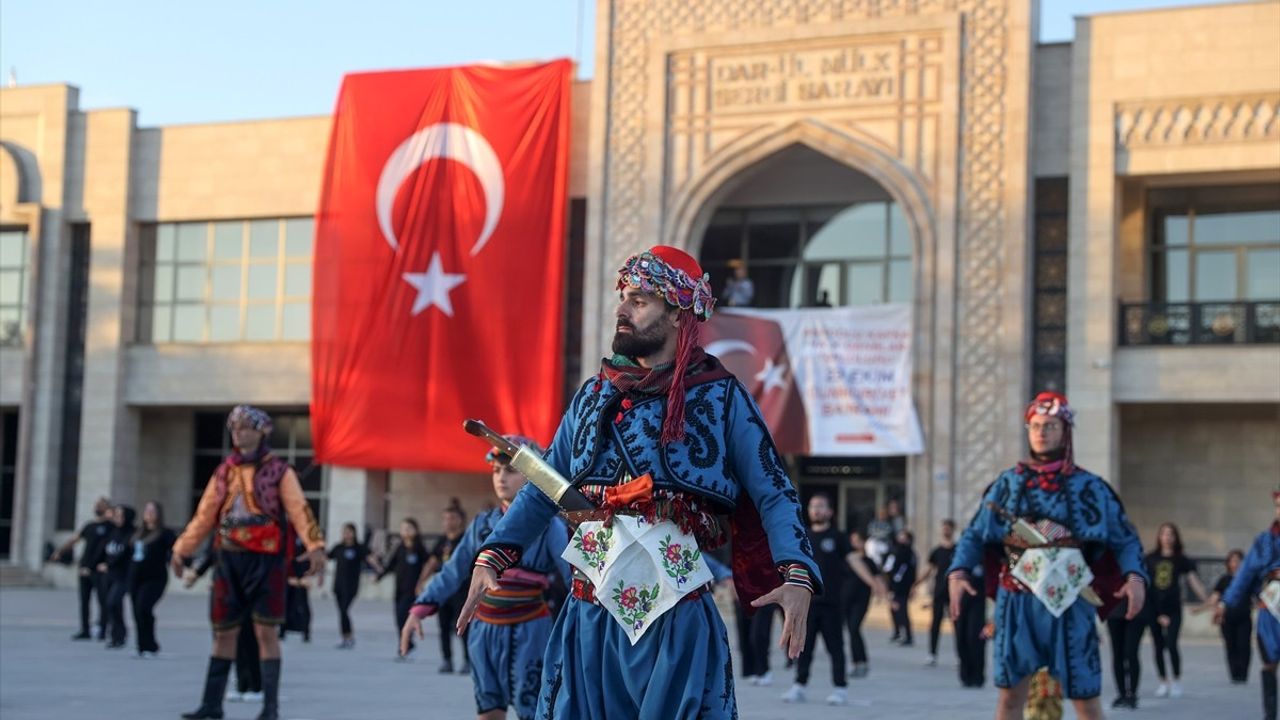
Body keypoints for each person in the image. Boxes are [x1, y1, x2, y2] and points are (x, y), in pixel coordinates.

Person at [453, 246, 821, 719]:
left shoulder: (721, 396)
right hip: (587, 617)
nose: (622, 309)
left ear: (677, 314)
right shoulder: (592, 396)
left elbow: (774, 490)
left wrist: (796, 575)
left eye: (641, 300)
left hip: (675, 622)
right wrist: (493, 555)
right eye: (623, 297)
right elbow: (544, 485)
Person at [948, 391, 1147, 720]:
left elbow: (1125, 539)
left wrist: (1135, 577)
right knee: (1010, 700)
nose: (1042, 432)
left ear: (1065, 431)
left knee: (1086, 701)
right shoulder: (1007, 484)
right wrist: (958, 573)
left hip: (1072, 603)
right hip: (1016, 604)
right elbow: (974, 534)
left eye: (1051, 425)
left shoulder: (1092, 487)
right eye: (1036, 425)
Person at [170, 405, 325, 720]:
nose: (239, 432)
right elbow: (204, 515)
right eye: (235, 427)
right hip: (228, 559)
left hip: (266, 562)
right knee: (223, 632)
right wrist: (181, 549)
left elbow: (299, 509)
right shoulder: (224, 471)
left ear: (262, 431)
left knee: (265, 633)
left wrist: (315, 545)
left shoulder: (280, 471)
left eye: (245, 426)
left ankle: (270, 708)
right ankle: (212, 704)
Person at [401, 436, 570, 720]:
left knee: (534, 712)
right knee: (489, 712)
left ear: (533, 472)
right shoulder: (481, 524)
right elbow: (453, 571)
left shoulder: (550, 525)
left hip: (532, 629)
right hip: (484, 631)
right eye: (496, 470)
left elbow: (572, 575)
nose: (501, 477)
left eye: (510, 469)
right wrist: (419, 609)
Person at [781, 494, 852, 705]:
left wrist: (875, 581)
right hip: (807, 604)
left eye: (821, 506)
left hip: (831, 604)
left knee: (835, 648)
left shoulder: (838, 537)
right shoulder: (803, 537)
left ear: (830, 511)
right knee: (804, 646)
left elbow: (853, 560)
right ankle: (799, 685)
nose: (816, 510)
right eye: (813, 506)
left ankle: (840, 688)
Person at [1218, 491, 1280, 720]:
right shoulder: (1264, 541)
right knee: (1270, 662)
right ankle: (1270, 715)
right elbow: (1245, 574)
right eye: (1278, 506)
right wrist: (1226, 603)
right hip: (1271, 609)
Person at [1145, 521, 1210, 698]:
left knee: (1172, 644)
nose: (1167, 537)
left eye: (1171, 534)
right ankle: (1163, 681)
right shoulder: (1150, 558)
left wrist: (1207, 599)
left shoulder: (1181, 559)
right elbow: (1146, 584)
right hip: (1154, 607)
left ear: (1176, 537)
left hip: (1173, 607)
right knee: (1158, 645)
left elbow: (1193, 580)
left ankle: (1176, 680)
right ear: (1159, 536)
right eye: (1164, 533)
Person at [50, 495, 113, 641]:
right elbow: (74, 540)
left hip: (99, 569)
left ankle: (103, 630)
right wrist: (60, 551)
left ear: (107, 508)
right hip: (84, 568)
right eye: (96, 504)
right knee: (84, 601)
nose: (97, 507)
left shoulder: (111, 527)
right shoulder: (89, 526)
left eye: (101, 504)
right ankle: (85, 629)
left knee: (103, 600)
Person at [373, 517, 431, 660]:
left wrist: (423, 583)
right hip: (399, 589)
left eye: (409, 528)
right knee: (398, 619)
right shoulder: (399, 548)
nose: (406, 531)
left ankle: (404, 647)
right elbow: (390, 565)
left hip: (413, 591)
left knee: (405, 619)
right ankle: (407, 644)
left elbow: (429, 564)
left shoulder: (420, 548)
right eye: (403, 528)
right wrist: (379, 576)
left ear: (416, 530)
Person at [423, 501, 471, 673]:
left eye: (452, 518)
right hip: (444, 593)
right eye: (445, 518)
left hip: (462, 592)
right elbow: (432, 562)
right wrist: (421, 582)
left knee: (464, 627)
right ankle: (447, 660)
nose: (448, 522)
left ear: (460, 520)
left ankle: (468, 661)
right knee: (443, 627)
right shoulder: (442, 541)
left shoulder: (467, 540)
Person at [128, 500, 175, 657]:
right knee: (137, 612)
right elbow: (126, 554)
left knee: (144, 607)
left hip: (155, 578)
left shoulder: (165, 533)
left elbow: (176, 551)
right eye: (147, 510)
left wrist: (186, 564)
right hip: (135, 578)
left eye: (152, 511)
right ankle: (141, 646)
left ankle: (150, 645)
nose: (149, 514)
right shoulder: (137, 533)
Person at [1199, 549, 1251, 684]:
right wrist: (1201, 609)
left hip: (1244, 617)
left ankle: (1243, 674)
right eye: (1233, 561)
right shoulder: (1224, 579)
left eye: (1238, 561)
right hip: (1227, 619)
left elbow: (1258, 597)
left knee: (1244, 645)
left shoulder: (1248, 579)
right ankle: (1234, 674)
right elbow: (1214, 598)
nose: (1236, 564)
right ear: (1228, 563)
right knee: (1231, 646)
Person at [914, 518, 957, 666]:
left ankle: (960, 655)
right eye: (944, 528)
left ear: (952, 530)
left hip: (954, 592)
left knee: (957, 624)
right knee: (935, 623)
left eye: (948, 528)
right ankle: (932, 653)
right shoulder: (937, 551)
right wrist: (917, 583)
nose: (946, 530)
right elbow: (929, 569)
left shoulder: (957, 550)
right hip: (939, 590)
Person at [843, 530, 886, 680]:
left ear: (862, 542)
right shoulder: (846, 559)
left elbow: (878, 578)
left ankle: (861, 662)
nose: (854, 543)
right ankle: (857, 662)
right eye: (852, 540)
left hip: (861, 600)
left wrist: (885, 595)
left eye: (856, 540)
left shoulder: (869, 561)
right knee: (850, 630)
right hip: (845, 600)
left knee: (854, 628)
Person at [328, 522, 372, 649]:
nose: (347, 534)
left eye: (349, 532)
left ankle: (349, 637)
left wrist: (380, 570)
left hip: (352, 585)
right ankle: (346, 637)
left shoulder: (359, 548)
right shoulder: (338, 548)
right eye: (344, 532)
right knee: (342, 612)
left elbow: (370, 558)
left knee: (344, 610)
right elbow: (327, 557)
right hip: (338, 585)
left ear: (354, 533)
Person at [99, 504, 136, 649]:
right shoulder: (113, 532)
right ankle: (115, 635)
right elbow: (104, 549)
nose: (117, 518)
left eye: (120, 515)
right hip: (109, 575)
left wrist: (110, 564)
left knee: (112, 602)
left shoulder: (132, 533)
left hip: (123, 575)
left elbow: (125, 553)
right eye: (116, 515)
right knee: (111, 606)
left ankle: (121, 632)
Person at [953, 550, 987, 688]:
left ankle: (977, 675)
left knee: (975, 637)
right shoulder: (959, 561)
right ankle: (965, 675)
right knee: (961, 637)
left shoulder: (985, 559)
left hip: (978, 602)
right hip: (960, 603)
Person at [883, 529, 918, 646]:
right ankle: (897, 631)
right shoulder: (894, 550)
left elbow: (909, 571)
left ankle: (908, 635)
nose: (900, 538)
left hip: (902, 586)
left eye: (903, 536)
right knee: (893, 608)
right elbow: (888, 566)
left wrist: (912, 586)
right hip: (893, 584)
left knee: (902, 609)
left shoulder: (908, 553)